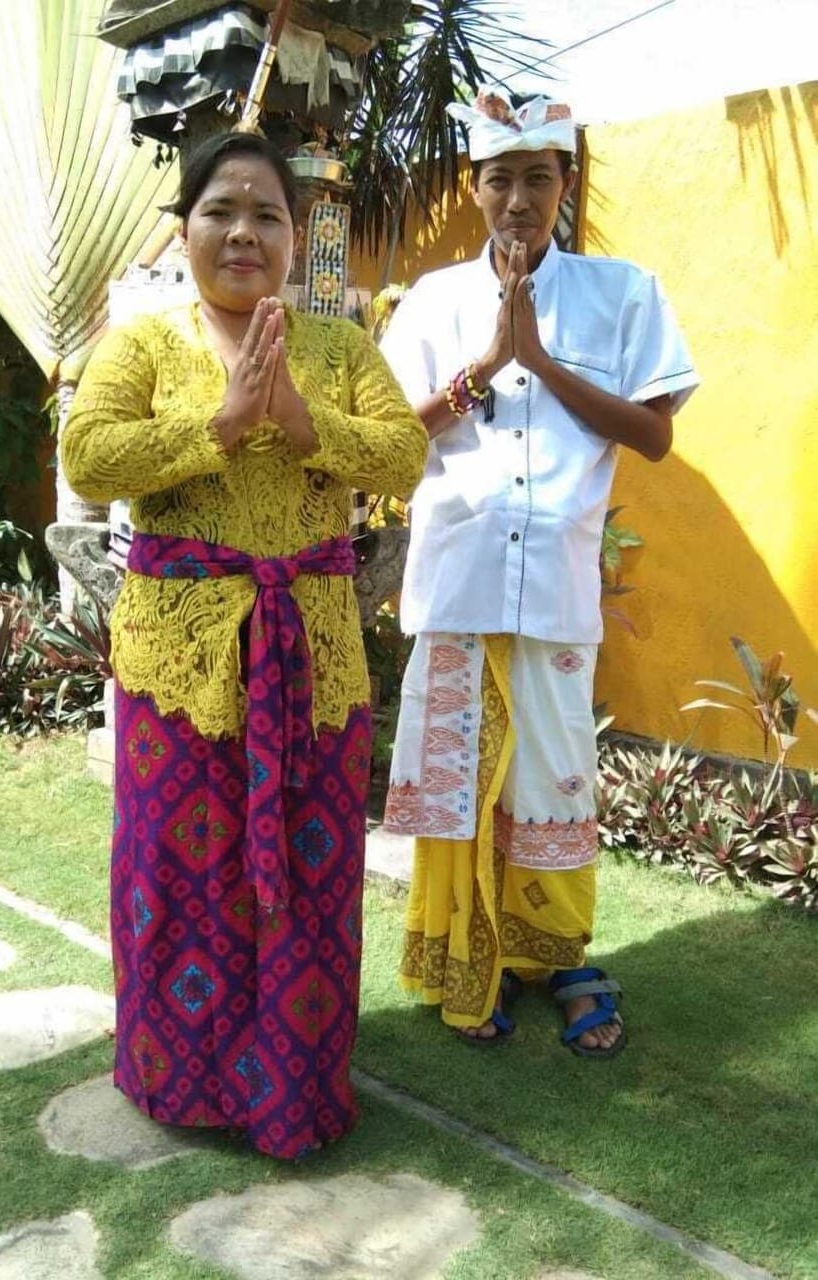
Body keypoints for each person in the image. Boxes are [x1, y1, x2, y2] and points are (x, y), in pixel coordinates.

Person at [61, 131, 427, 1157]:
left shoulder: (341, 346)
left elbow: (405, 448)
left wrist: (308, 428)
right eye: (222, 209)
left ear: (295, 234)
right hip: (179, 664)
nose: (243, 232)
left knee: (312, 870)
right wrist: (216, 426)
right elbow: (87, 453)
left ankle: (295, 1081)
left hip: (312, 657)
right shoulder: (140, 344)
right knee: (183, 869)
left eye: (268, 214)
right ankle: (183, 1076)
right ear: (185, 228)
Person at [380, 91, 698, 1057]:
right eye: (499, 180)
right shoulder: (433, 301)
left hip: (556, 591)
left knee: (555, 777)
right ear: (473, 189)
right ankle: (461, 955)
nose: (518, 200)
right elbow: (393, 445)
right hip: (460, 581)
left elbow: (652, 436)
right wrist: (484, 365)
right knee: (458, 779)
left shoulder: (624, 291)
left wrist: (543, 362)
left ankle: (557, 957)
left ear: (565, 183)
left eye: (538, 178)